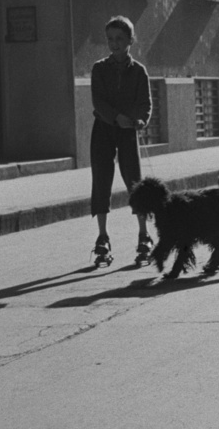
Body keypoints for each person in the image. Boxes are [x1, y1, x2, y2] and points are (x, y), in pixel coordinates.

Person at [89, 15, 152, 265]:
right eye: (110, 39)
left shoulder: (138, 72)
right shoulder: (99, 68)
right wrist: (116, 118)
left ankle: (144, 235)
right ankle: (102, 237)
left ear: (130, 41)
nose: (114, 44)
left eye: (119, 39)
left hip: (128, 132)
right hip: (104, 129)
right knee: (101, 181)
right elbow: (98, 101)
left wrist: (139, 120)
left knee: (134, 181)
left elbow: (145, 103)